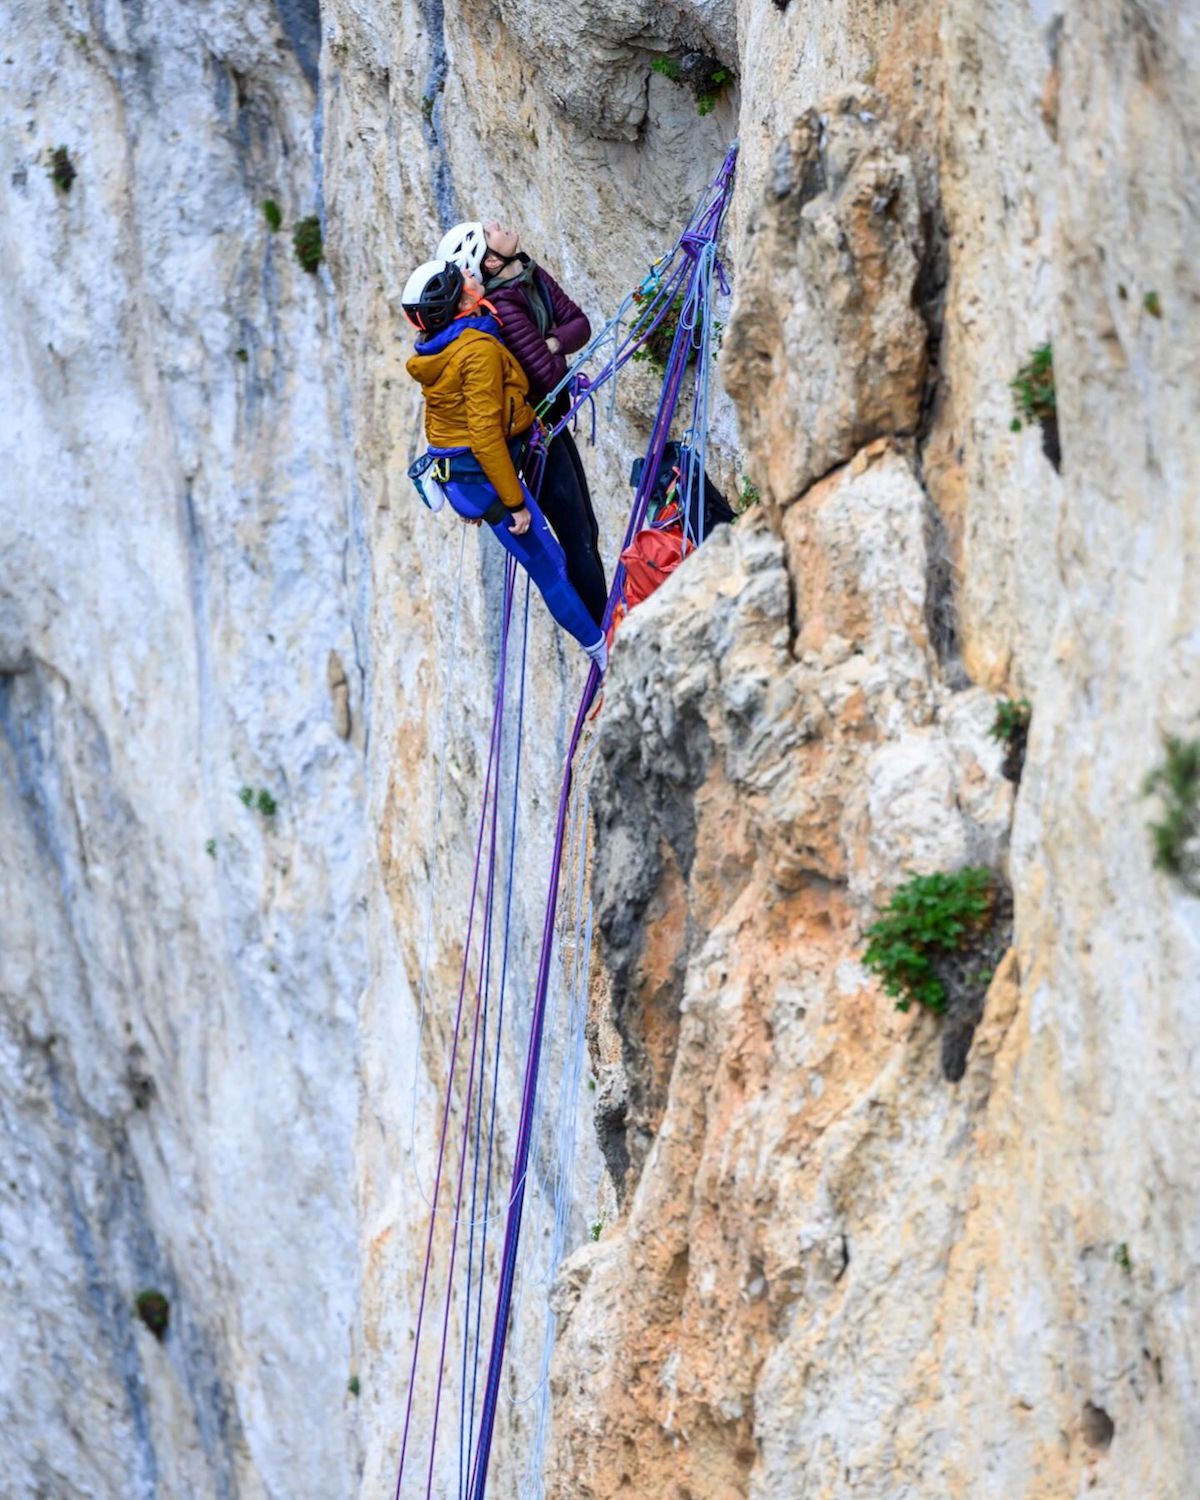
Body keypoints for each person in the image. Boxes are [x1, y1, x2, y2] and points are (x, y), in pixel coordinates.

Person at [401, 258, 608, 672]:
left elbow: (446, 420)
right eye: (465, 283)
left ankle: (599, 644)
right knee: (549, 565)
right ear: (458, 302)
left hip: (464, 475)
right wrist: (514, 503)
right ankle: (602, 651)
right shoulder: (475, 351)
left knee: (551, 564)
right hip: (483, 476)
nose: (474, 281)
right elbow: (483, 434)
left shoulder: (439, 347)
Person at [436, 221, 608, 627]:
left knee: (586, 532)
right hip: (536, 439)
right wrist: (555, 342)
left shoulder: (528, 272)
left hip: (551, 425)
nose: (499, 225)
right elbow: (547, 378)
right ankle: (606, 633)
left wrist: (550, 341)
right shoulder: (506, 309)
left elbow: (580, 324)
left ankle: (606, 624)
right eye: (489, 231)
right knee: (578, 538)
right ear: (491, 260)